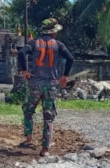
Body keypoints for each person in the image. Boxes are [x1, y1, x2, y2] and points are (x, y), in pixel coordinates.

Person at [17, 18, 75, 157]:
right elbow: (70, 58)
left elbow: (21, 53)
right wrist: (65, 76)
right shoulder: (59, 45)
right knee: (48, 117)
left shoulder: (34, 43)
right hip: (51, 85)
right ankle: (45, 149)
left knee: (28, 111)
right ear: (54, 32)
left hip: (35, 84)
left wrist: (25, 70)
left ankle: (29, 139)